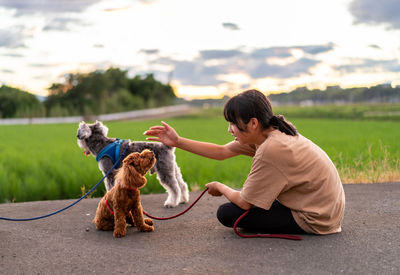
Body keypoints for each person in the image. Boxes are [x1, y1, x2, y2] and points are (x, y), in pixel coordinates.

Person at [144, 89, 345, 235]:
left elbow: (244, 203)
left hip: (314, 218)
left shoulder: (271, 149)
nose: (229, 129)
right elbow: (221, 151)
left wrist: (220, 187)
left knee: (227, 213)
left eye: (233, 123)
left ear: (253, 123)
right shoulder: (270, 133)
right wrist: (177, 142)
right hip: (325, 208)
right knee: (239, 208)